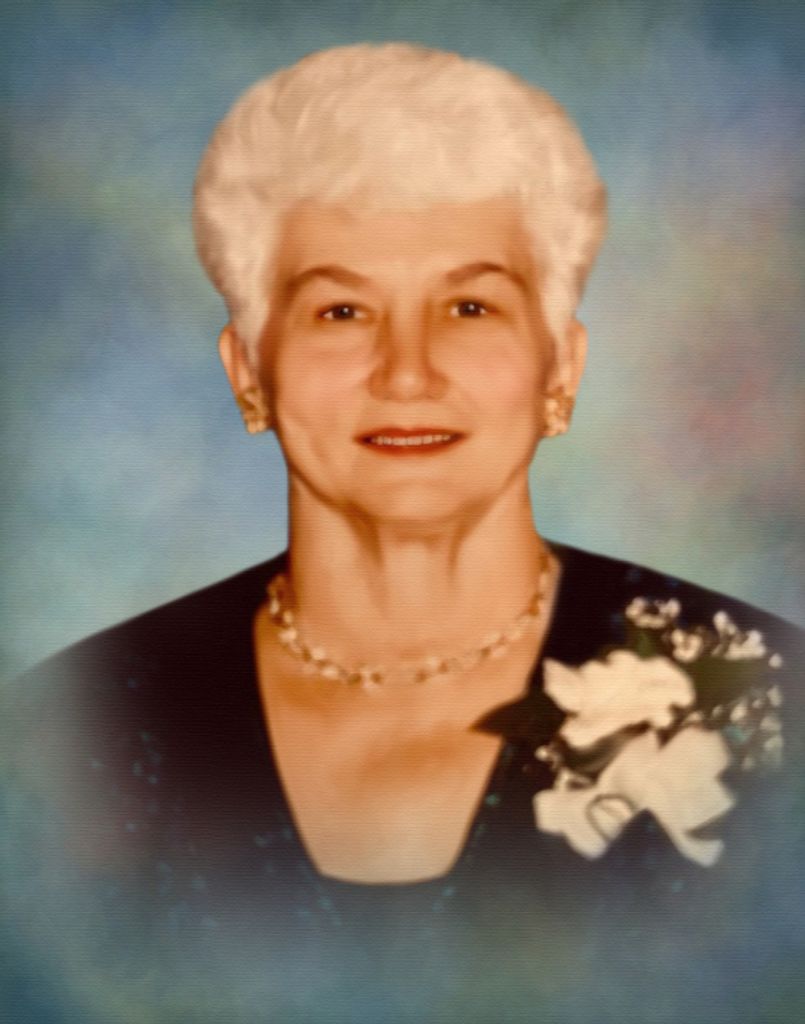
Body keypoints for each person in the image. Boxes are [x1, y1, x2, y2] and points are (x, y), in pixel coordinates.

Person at [2, 43, 803, 1024]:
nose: (408, 372)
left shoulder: (764, 704)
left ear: (559, 369)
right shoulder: (74, 730)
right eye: (340, 310)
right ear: (250, 372)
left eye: (470, 306)